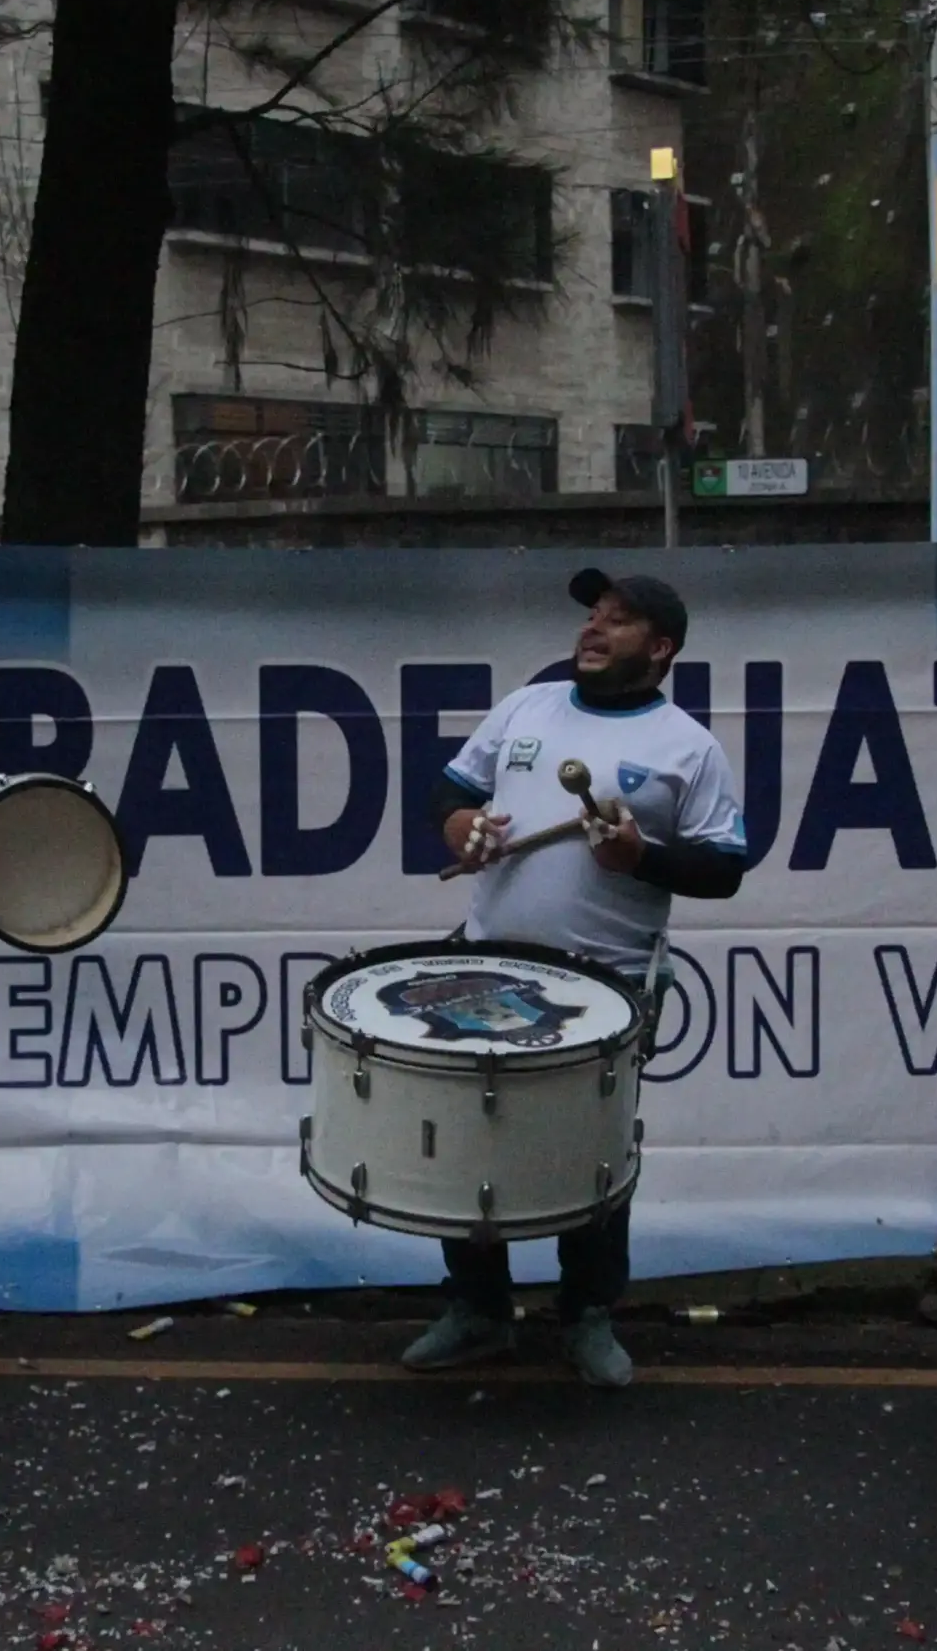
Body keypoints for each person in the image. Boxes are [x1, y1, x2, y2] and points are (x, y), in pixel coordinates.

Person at [401, 568, 748, 1388]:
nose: (594, 629)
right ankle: (479, 1311)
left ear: (660, 650)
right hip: (488, 959)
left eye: (619, 621)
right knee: (468, 1145)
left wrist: (641, 856)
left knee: (586, 1153)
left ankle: (588, 1316)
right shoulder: (528, 706)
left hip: (608, 980)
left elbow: (724, 867)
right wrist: (461, 826)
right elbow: (449, 791)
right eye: (593, 615)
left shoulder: (687, 746)